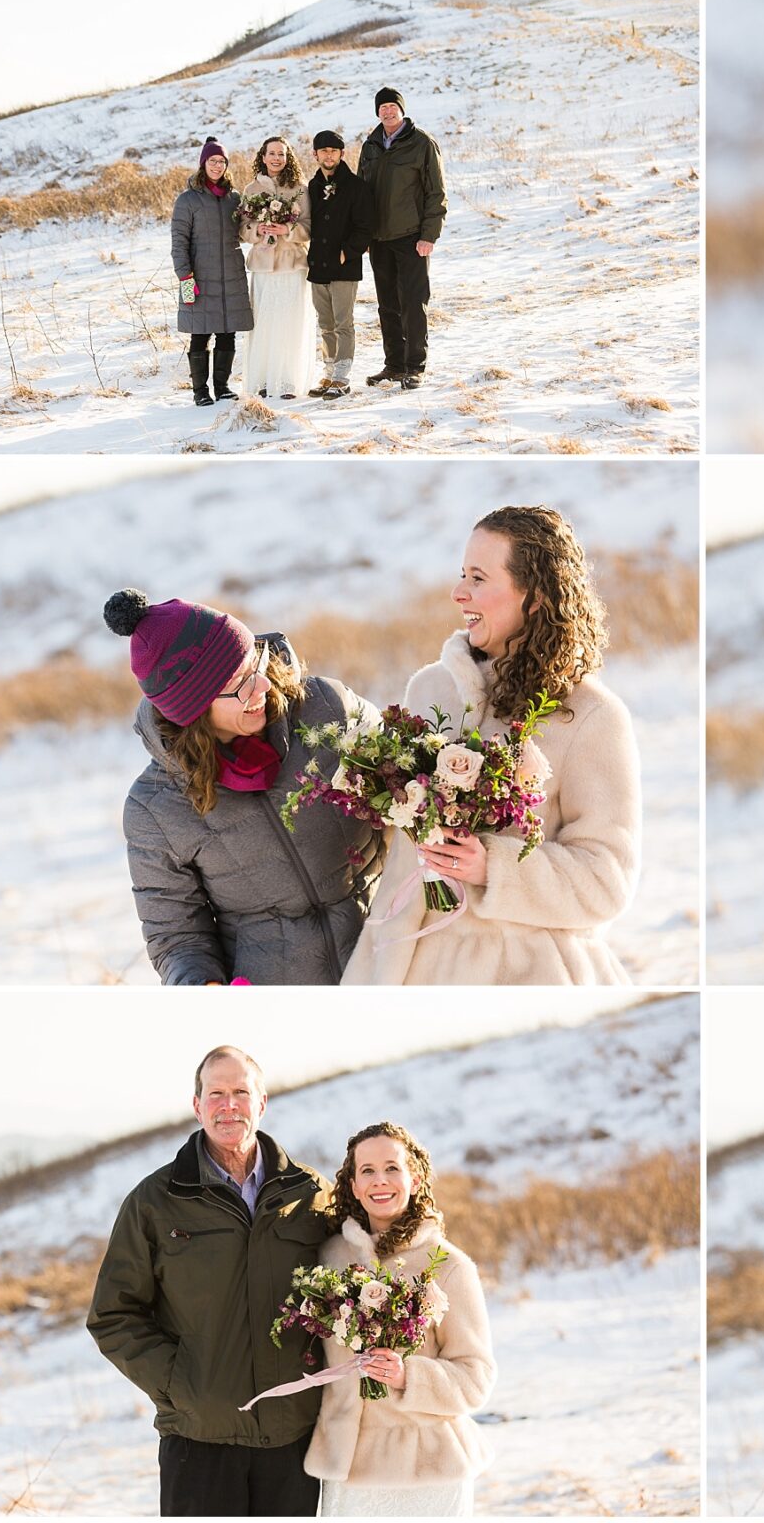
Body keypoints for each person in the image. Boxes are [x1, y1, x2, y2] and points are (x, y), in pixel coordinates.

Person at [342, 506, 640, 986]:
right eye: (463, 574)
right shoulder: (430, 691)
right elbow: (401, 866)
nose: (458, 592)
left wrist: (493, 866)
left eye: (478, 578)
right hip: (411, 968)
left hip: (528, 971)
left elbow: (606, 881)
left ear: (537, 595)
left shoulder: (591, 717)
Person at [88, 1046, 333, 1516]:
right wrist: (182, 1389)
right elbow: (113, 1315)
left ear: (262, 1103)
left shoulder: (309, 1193)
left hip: (293, 1439)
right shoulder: (155, 1202)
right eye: (216, 1093)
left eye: (241, 1092)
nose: (229, 1105)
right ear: (196, 1104)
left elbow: (345, 1284)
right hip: (197, 1442)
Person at [105, 588, 385, 985]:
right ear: (193, 710)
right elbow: (177, 936)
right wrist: (203, 986)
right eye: (239, 684)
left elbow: (412, 784)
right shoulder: (156, 809)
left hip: (389, 959)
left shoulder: (327, 708)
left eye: (257, 664)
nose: (263, 688)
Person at [305, 1123, 495, 1516]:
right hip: (349, 1470)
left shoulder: (450, 1265)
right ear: (354, 1185)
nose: (381, 1181)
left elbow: (476, 1378)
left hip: (428, 1470)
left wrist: (408, 1374)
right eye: (368, 1171)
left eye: (392, 1168)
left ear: (415, 1177)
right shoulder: (330, 1259)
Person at [359, 87, 447, 390]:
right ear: (377, 112)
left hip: (411, 238)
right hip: (379, 240)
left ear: (401, 109)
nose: (387, 111)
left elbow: (437, 193)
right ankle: (394, 365)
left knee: (413, 302)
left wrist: (429, 235)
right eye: (382, 107)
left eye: (392, 106)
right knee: (387, 305)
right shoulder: (370, 145)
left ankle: (414, 367)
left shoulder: (422, 143)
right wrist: (364, 235)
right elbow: (362, 194)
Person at [171, 137, 253, 405]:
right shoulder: (188, 200)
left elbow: (243, 232)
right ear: (203, 163)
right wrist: (185, 277)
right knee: (201, 332)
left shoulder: (234, 198)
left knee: (228, 331)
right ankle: (200, 391)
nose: (217, 166)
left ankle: (222, 386)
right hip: (199, 277)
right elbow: (179, 243)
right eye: (212, 161)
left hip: (231, 274)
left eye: (222, 161)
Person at [239, 135, 314, 399]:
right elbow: (242, 227)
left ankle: (287, 383)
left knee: (290, 322)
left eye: (281, 154)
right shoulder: (251, 190)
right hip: (262, 265)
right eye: (272, 153)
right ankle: (262, 380)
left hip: (292, 264)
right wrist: (257, 230)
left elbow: (309, 227)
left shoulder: (301, 189)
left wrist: (287, 229)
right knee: (264, 323)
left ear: (288, 157)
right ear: (263, 156)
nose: (276, 158)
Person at [304, 129, 375, 401]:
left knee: (343, 322)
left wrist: (348, 252)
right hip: (318, 264)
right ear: (315, 155)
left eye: (334, 151)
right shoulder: (312, 185)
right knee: (325, 323)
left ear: (342, 154)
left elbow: (365, 226)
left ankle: (342, 377)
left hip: (344, 265)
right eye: (324, 151)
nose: (329, 155)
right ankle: (329, 372)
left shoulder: (356, 186)